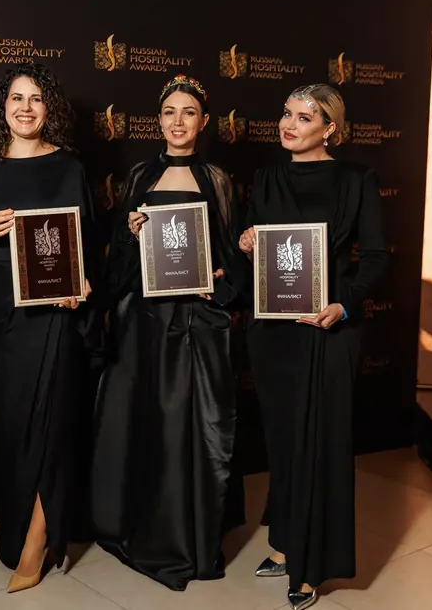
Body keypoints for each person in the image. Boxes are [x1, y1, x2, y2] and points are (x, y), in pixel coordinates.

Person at [91, 74, 245, 591]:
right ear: (158, 120)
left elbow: (230, 257)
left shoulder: (217, 179)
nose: (178, 122)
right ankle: (141, 523)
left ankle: (188, 534)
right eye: (169, 112)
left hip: (196, 323)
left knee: (190, 427)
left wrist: (220, 281)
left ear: (204, 121)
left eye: (189, 112)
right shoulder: (139, 175)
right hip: (144, 320)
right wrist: (130, 233)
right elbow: (117, 258)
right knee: (146, 422)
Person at [238, 84, 388, 610]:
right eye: (286, 113)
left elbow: (375, 257)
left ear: (330, 129)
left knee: (320, 445)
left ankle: (311, 566)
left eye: (305, 117)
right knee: (283, 443)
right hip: (275, 332)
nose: (289, 124)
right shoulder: (266, 178)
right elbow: (261, 256)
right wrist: (247, 243)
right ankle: (284, 544)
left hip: (329, 330)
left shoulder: (355, 179)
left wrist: (343, 306)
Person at [0, 62, 96, 593]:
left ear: (48, 107)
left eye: (36, 98)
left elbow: (84, 246)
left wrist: (80, 285)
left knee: (54, 423)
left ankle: (37, 542)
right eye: (17, 98)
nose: (26, 108)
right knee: (12, 427)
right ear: (3, 106)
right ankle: (16, 531)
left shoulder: (70, 166)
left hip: (56, 313)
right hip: (4, 316)